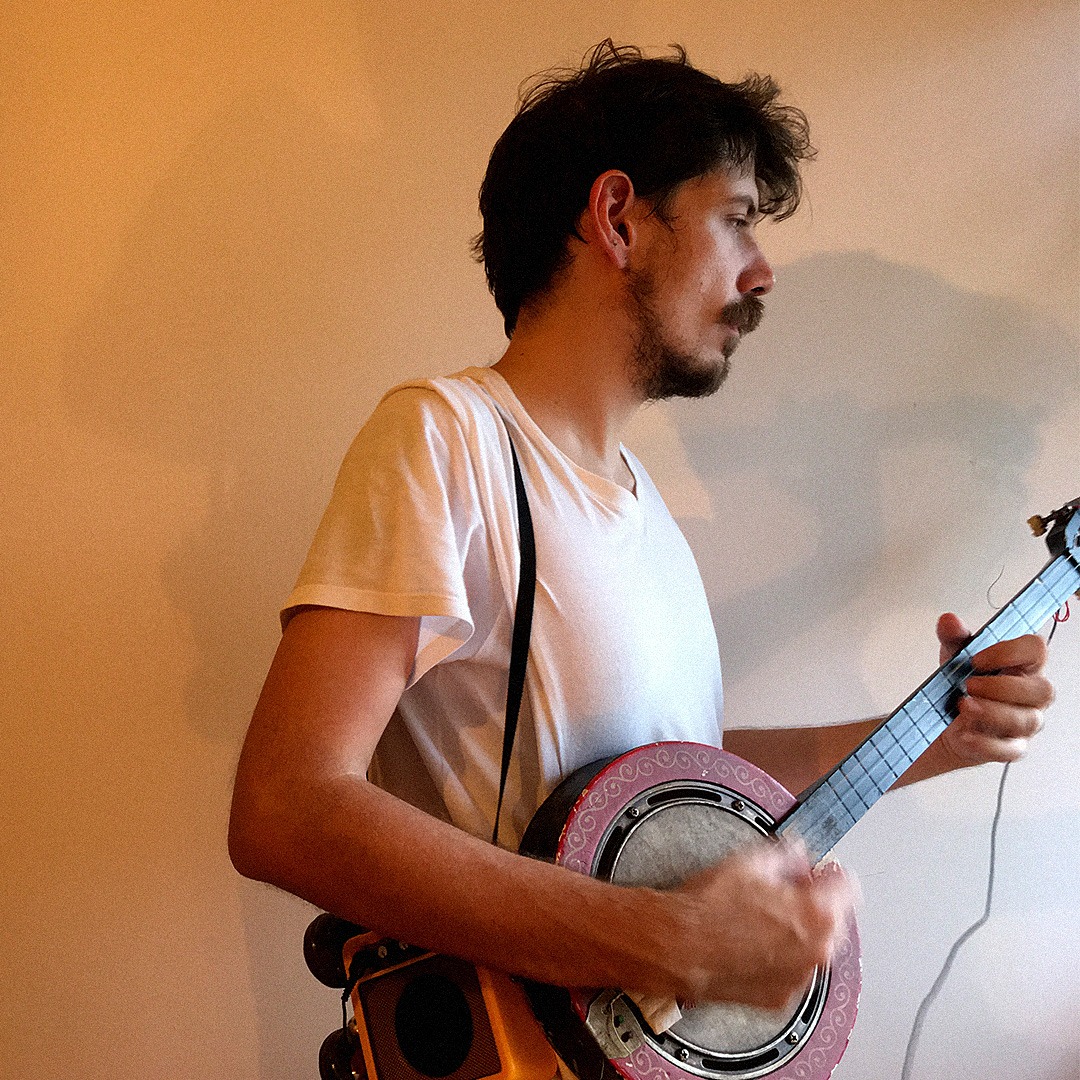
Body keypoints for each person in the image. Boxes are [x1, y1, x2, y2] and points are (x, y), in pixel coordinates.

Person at [228, 42, 1053, 1015]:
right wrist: (673, 943)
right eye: (737, 222)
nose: (762, 274)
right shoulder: (448, 437)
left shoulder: (643, 510)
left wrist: (926, 739)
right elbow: (287, 806)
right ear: (618, 217)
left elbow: (679, 776)